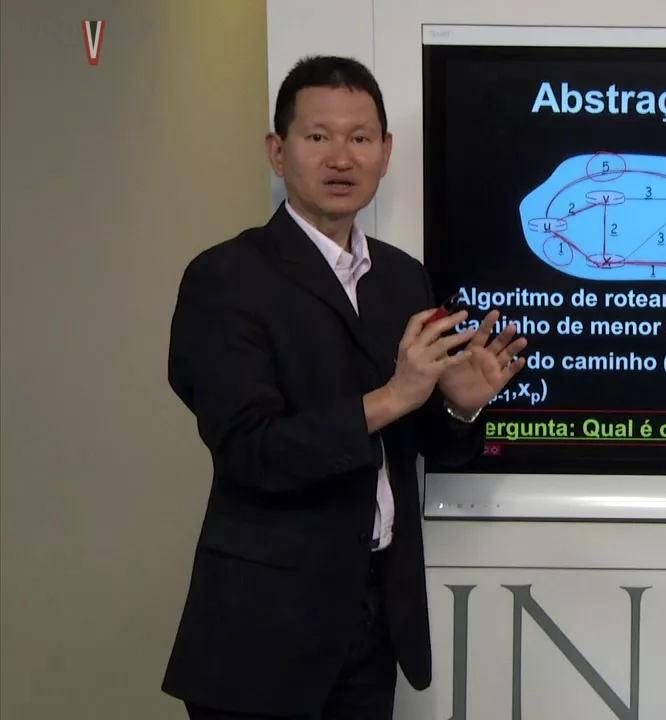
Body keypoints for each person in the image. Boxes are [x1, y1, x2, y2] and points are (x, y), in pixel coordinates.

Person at [161, 55, 526, 719]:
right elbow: (250, 450)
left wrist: (457, 407)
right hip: (263, 634)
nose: (341, 158)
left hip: (374, 621)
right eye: (317, 136)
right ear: (278, 152)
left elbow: (419, 446)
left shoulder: (402, 278)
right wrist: (394, 396)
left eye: (360, 138)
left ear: (385, 153)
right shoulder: (226, 278)